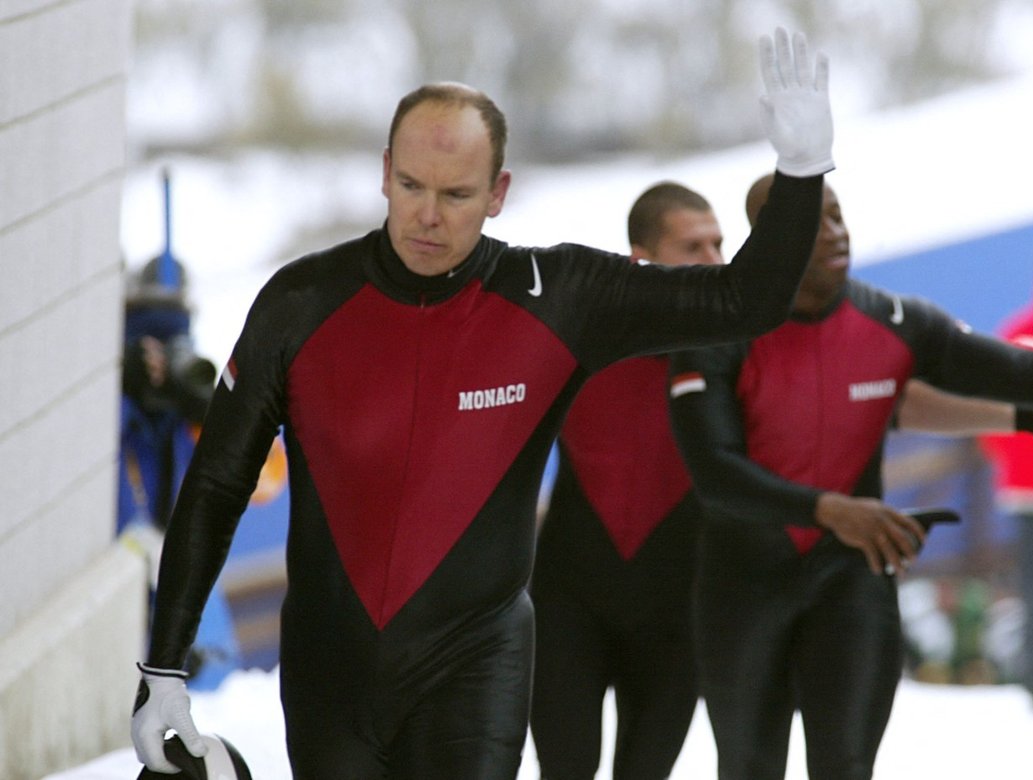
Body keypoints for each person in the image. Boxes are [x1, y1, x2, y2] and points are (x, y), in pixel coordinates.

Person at [131, 29, 834, 779]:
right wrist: (165, 668)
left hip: (475, 666)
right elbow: (216, 482)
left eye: (457, 194)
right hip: (331, 673)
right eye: (411, 186)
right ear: (384, 175)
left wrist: (798, 174)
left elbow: (743, 298)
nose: (428, 216)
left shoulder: (558, 300)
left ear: (498, 193)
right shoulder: (299, 305)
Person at [666, 172, 1033, 780]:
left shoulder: (893, 321)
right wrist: (833, 510)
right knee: (748, 767)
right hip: (743, 584)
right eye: (812, 223)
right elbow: (717, 474)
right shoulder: (721, 332)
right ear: (768, 238)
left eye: (839, 216)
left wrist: (1027, 414)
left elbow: (1026, 373)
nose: (834, 234)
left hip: (850, 581)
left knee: (845, 767)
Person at [529, 182, 724, 780]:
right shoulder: (578, 345)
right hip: (569, 608)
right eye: (695, 247)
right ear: (642, 259)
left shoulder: (732, 353)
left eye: (720, 244)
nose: (716, 262)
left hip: (677, 614)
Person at [119, 255, 242, 691]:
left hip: (158, 598)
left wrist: (210, 415)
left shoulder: (182, 419)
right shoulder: (118, 407)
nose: (165, 364)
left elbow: (265, 479)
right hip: (120, 586)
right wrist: (123, 384)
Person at [980, 245, 1033, 709]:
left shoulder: (1014, 335)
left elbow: (987, 418)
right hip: (1029, 488)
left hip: (1027, 490)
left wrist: (1015, 460)